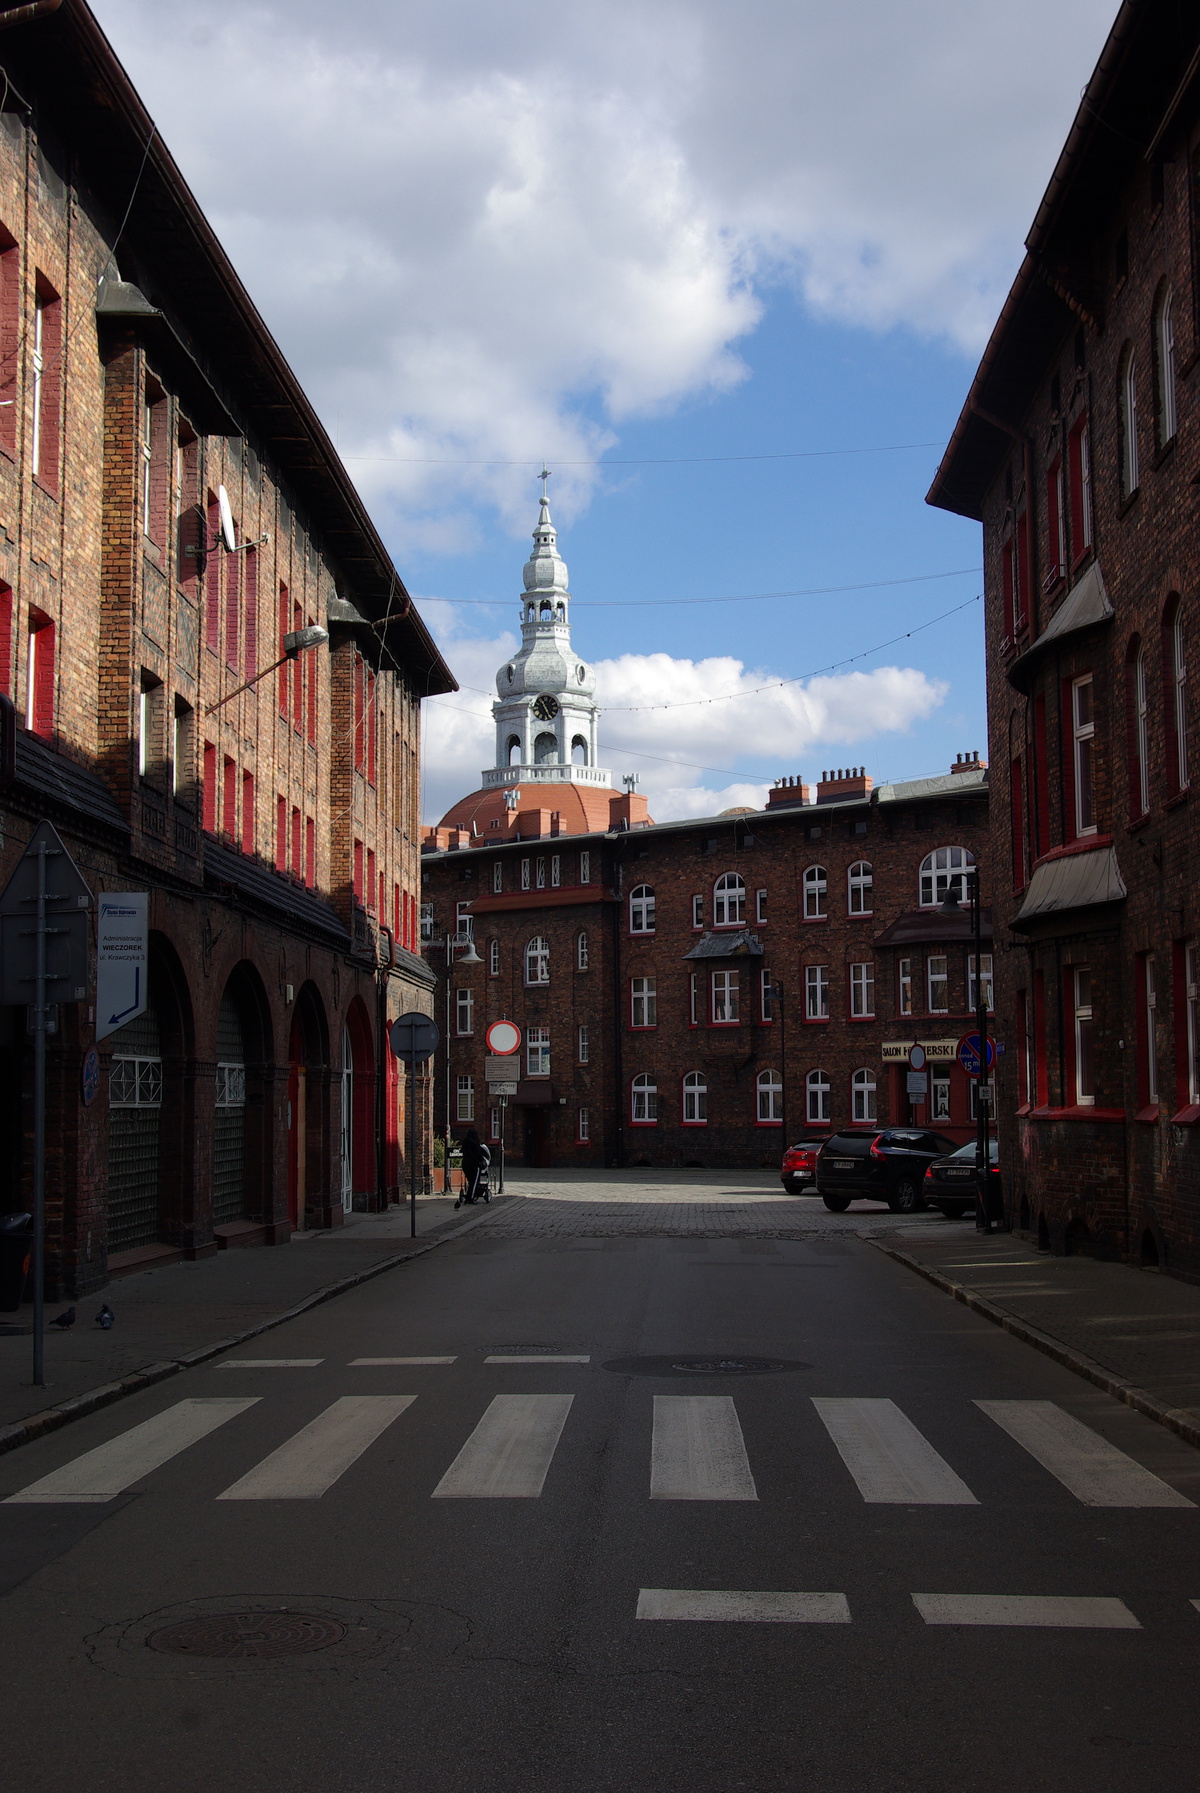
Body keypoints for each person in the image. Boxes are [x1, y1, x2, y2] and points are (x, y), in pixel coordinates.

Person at [457, 1129, 490, 1208]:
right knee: (474, 1182)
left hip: (465, 1164)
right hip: (474, 1165)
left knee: (470, 1181)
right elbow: (478, 1154)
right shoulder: (475, 1143)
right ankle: (470, 1198)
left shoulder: (465, 1142)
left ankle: (469, 1195)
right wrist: (483, 1162)